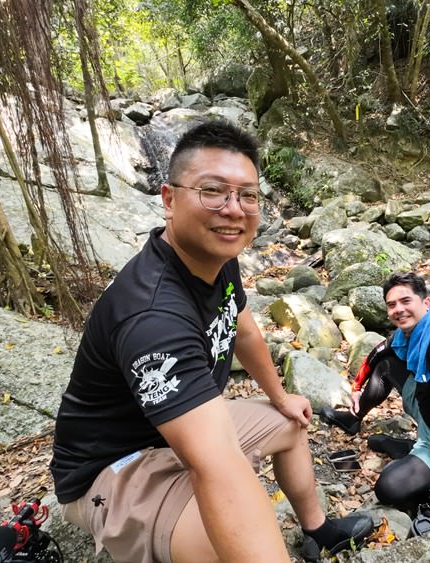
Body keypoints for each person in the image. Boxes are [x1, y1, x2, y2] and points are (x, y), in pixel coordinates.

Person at [49, 121, 372, 563]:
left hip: (174, 430)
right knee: (228, 540)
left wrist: (280, 396)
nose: (234, 209)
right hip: (112, 468)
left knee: (292, 423)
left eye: (248, 195)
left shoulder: (216, 259)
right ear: (169, 199)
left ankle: (318, 530)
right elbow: (217, 468)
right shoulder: (153, 317)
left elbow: (242, 330)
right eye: (213, 191)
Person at [321, 272, 430, 516]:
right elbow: (378, 352)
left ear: (426, 302)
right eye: (391, 305)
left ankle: (419, 450)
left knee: (389, 486)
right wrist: (357, 388)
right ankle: (353, 418)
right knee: (387, 366)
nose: (398, 310)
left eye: (405, 301)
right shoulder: (410, 333)